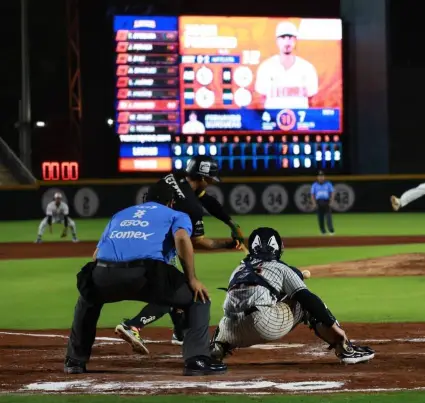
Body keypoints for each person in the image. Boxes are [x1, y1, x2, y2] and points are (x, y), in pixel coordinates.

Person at [64, 180, 227, 376]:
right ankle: (197, 360)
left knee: (87, 299)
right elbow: (183, 239)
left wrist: (98, 283)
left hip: (103, 273)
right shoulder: (177, 214)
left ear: (144, 200)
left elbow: (97, 254)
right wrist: (192, 279)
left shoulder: (120, 215)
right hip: (146, 275)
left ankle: (74, 361)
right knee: (198, 298)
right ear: (171, 202)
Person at [114, 155, 246, 354]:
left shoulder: (171, 179)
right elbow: (196, 242)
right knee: (173, 291)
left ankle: (181, 332)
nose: (210, 184)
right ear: (203, 178)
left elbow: (205, 199)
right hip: (155, 247)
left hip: (135, 234)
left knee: (175, 284)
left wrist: (229, 221)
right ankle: (133, 325)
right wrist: (228, 243)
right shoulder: (191, 207)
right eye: (210, 179)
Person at [209, 227, 375, 364]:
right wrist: (336, 328)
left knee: (230, 316)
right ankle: (344, 347)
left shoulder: (238, 270)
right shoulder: (280, 268)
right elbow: (309, 300)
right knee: (305, 303)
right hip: (264, 325)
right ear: (278, 248)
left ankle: (217, 348)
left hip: (232, 330)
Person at [254, 21, 319, 109]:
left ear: (295, 40)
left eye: (290, 38)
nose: (287, 42)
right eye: (283, 37)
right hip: (272, 119)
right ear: (277, 41)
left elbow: (311, 99)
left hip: (300, 120)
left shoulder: (307, 68)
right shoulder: (266, 67)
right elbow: (261, 98)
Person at [310, 171, 335, 235]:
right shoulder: (314, 185)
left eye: (322, 176)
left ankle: (331, 230)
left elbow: (332, 193)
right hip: (319, 202)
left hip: (326, 201)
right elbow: (312, 195)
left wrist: (331, 201)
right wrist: (314, 203)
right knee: (320, 218)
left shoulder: (328, 184)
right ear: (317, 177)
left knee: (328, 217)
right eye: (319, 176)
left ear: (324, 177)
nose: (321, 177)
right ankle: (323, 231)